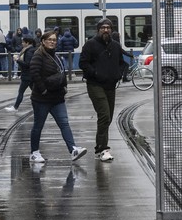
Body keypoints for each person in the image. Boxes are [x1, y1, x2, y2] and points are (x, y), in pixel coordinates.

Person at [26, 28, 86, 166]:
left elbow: (61, 73)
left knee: (64, 123)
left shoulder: (56, 56)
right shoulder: (38, 55)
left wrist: (64, 87)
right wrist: (44, 90)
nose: (52, 42)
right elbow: (34, 74)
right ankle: (34, 153)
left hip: (57, 97)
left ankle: (73, 150)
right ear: (43, 41)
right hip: (42, 99)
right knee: (38, 126)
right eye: (50, 40)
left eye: (54, 40)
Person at [79, 18, 123, 162]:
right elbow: (83, 63)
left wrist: (119, 74)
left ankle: (101, 147)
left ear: (112, 29)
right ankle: (102, 149)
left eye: (108, 27)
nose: (106, 30)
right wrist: (95, 73)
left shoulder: (116, 45)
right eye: (103, 27)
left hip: (111, 85)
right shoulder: (90, 45)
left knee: (108, 117)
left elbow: (121, 62)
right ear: (98, 29)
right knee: (104, 115)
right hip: (95, 85)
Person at [4, 34, 35, 112]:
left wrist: (17, 60)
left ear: (27, 43)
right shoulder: (30, 50)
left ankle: (15, 107)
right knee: (35, 92)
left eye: (23, 42)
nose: (22, 43)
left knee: (21, 92)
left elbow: (27, 64)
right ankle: (42, 105)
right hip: (30, 75)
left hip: (27, 75)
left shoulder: (28, 51)